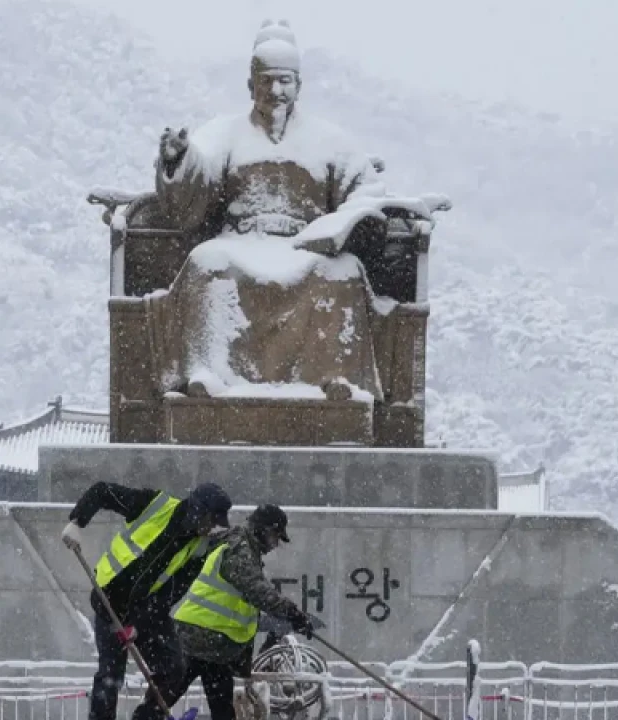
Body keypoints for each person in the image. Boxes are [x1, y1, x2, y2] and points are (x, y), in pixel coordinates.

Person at [145, 19, 445, 403]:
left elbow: (366, 189)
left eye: (285, 81)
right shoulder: (225, 133)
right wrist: (177, 159)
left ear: (299, 85)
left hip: (306, 246)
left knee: (344, 271)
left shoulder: (330, 140)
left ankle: (336, 379)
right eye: (266, 80)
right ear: (251, 85)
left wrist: (346, 222)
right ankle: (208, 374)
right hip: (240, 241)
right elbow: (196, 177)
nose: (275, 90)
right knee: (206, 263)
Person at [62, 481, 234, 720]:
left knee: (174, 668)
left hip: (148, 609)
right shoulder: (155, 505)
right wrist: (77, 522)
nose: (210, 530)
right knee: (111, 677)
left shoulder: (200, 547)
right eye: (209, 522)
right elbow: (102, 491)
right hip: (109, 600)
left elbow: (172, 592)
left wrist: (138, 625)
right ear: (197, 511)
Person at [132, 504, 314, 720]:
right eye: (275, 536)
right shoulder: (240, 549)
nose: (275, 544)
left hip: (214, 646)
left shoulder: (236, 543)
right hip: (198, 639)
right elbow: (257, 591)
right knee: (163, 700)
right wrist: (293, 614)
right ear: (262, 530)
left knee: (210, 708)